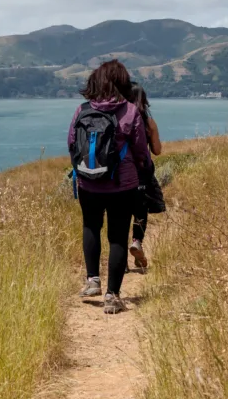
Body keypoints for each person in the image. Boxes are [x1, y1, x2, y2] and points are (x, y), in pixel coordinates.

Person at [67, 60, 151, 314]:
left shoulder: (81, 110)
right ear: (122, 83)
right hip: (122, 184)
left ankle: (92, 279)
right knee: (117, 236)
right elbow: (140, 151)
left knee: (90, 226)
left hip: (88, 182)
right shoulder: (129, 111)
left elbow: (72, 143)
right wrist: (144, 172)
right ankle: (112, 296)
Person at [129, 83, 163, 270]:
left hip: (121, 174)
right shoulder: (147, 121)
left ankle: (119, 257)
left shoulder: (117, 119)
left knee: (121, 213)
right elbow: (157, 150)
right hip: (142, 174)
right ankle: (137, 241)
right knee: (140, 211)